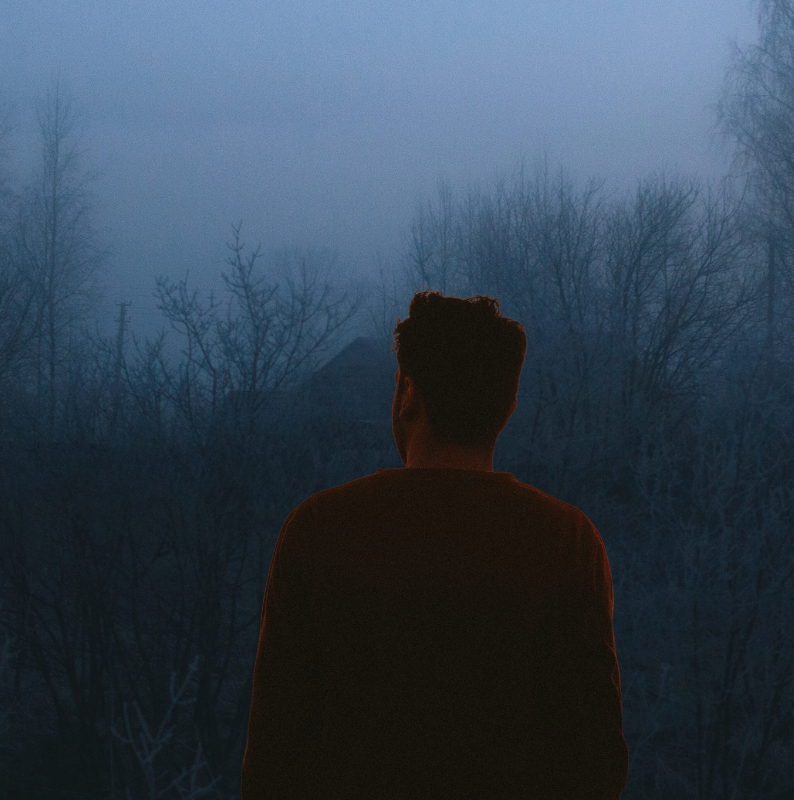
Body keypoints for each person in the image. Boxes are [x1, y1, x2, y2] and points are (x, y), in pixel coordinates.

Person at [241, 291, 629, 799]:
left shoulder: (320, 530)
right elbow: (595, 759)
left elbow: (273, 753)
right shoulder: (568, 542)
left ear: (408, 394)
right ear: (507, 407)